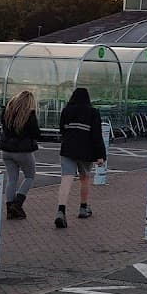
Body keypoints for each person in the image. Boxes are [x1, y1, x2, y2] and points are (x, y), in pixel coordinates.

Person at [55, 87, 106, 229]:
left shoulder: (66, 111)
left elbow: (62, 129)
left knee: (66, 179)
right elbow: (96, 135)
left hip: (68, 148)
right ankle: (83, 207)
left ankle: (61, 210)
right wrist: (100, 155)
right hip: (86, 150)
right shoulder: (93, 112)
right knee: (85, 178)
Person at [0, 90, 41, 220]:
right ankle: (17, 204)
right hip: (23, 151)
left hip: (6, 150)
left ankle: (9, 209)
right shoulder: (29, 115)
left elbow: (3, 127)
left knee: (12, 179)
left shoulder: (7, 111)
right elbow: (36, 133)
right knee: (29, 177)